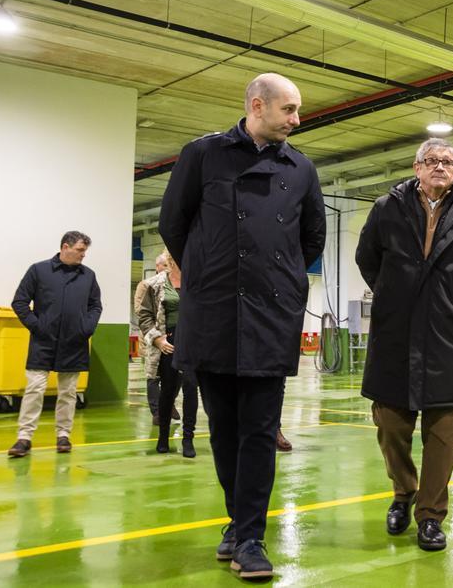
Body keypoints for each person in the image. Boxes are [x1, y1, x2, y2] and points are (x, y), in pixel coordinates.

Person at [159, 72, 326, 579]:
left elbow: (312, 237)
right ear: (258, 105)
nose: (297, 120)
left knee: (258, 430)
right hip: (213, 313)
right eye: (290, 110)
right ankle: (238, 523)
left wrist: (280, 279)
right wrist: (208, 272)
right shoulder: (203, 155)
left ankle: (250, 536)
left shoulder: (300, 169)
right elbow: (173, 221)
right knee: (224, 430)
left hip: (269, 316)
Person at [356, 136, 453, 552]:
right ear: (416, 167)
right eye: (432, 160)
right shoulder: (387, 208)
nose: (441, 167)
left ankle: (431, 515)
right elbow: (368, 259)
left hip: (445, 335)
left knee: (442, 433)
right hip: (395, 331)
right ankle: (403, 492)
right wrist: (391, 295)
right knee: (390, 424)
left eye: (449, 162)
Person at [7, 231, 103, 457]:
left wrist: (86, 328)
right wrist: (37, 326)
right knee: (34, 389)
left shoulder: (88, 276)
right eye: (80, 250)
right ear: (65, 247)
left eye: (84, 251)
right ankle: (24, 438)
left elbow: (95, 306)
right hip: (43, 341)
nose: (83, 255)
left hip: (74, 342)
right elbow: (19, 302)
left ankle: (63, 435)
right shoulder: (38, 270)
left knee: (68, 392)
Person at [135, 251, 199, 458]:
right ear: (170, 260)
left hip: (192, 342)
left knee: (191, 389)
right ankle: (163, 437)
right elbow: (144, 315)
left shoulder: (198, 281)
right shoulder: (154, 284)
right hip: (168, 342)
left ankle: (188, 438)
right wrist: (157, 338)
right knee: (168, 391)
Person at [134, 252, 177, 424]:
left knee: (175, 375)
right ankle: (157, 412)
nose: (167, 269)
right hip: (152, 335)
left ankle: (168, 403)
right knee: (153, 375)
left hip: (173, 335)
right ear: (158, 266)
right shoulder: (147, 285)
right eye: (165, 265)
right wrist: (155, 335)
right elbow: (140, 310)